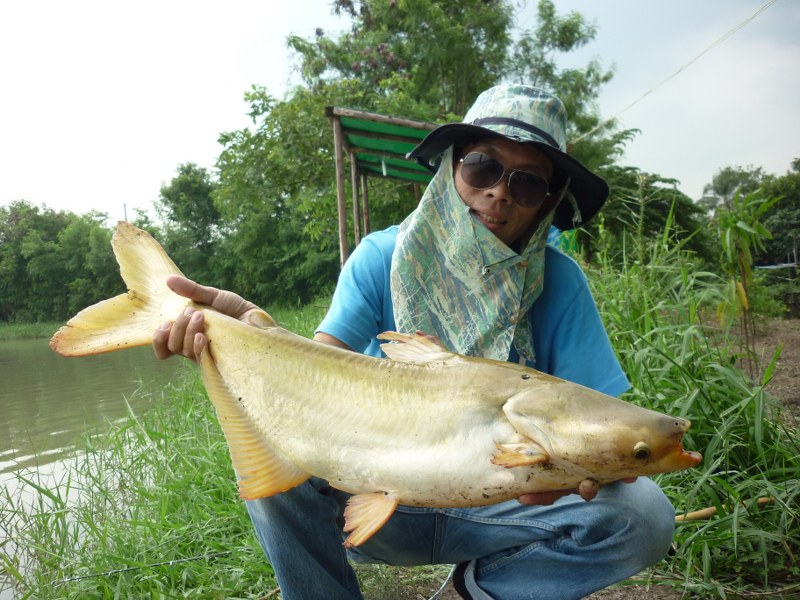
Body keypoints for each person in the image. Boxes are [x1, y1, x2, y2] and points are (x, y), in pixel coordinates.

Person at [153, 84, 676, 600]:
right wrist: (255, 332)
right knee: (279, 461)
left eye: (527, 184)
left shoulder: (560, 283)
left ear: (548, 202)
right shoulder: (380, 256)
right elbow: (323, 373)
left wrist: (570, 477)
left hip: (507, 507)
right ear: (452, 168)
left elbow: (598, 424)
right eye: (483, 168)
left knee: (645, 514)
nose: (498, 192)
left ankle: (481, 592)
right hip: (374, 495)